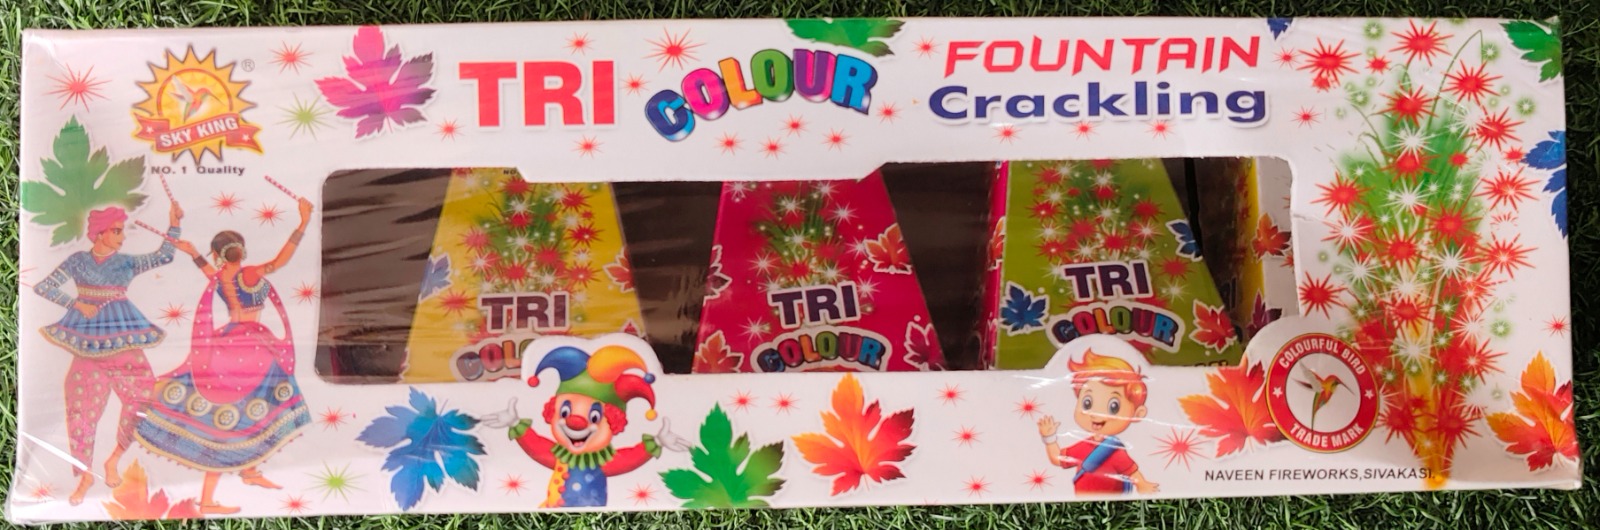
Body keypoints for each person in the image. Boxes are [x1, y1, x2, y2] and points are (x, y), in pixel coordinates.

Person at [134, 197, 314, 515]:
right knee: (235, 420)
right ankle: (208, 498)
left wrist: (193, 253)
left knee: (238, 414)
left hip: (231, 345)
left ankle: (249, 470)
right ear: (242, 251)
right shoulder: (250, 274)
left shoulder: (221, 277)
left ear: (218, 255)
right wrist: (302, 223)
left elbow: (208, 270)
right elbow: (281, 260)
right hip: (252, 348)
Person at [35, 203, 183, 505]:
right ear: (100, 233)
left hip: (124, 340)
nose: (122, 237)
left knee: (143, 398)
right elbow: (44, 286)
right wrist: (76, 303)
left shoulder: (126, 262)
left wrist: (174, 225)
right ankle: (84, 475)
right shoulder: (78, 260)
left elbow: (164, 256)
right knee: (79, 406)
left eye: (121, 231)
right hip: (87, 343)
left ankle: (113, 458)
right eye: (116, 231)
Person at [1036, 349, 1160, 495]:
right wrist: (1049, 438)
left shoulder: (1113, 450)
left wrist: (1142, 484)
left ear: (1137, 414)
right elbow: (1058, 459)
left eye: (1114, 406)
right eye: (1087, 403)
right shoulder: (1084, 446)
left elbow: (1131, 472)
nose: (1096, 413)